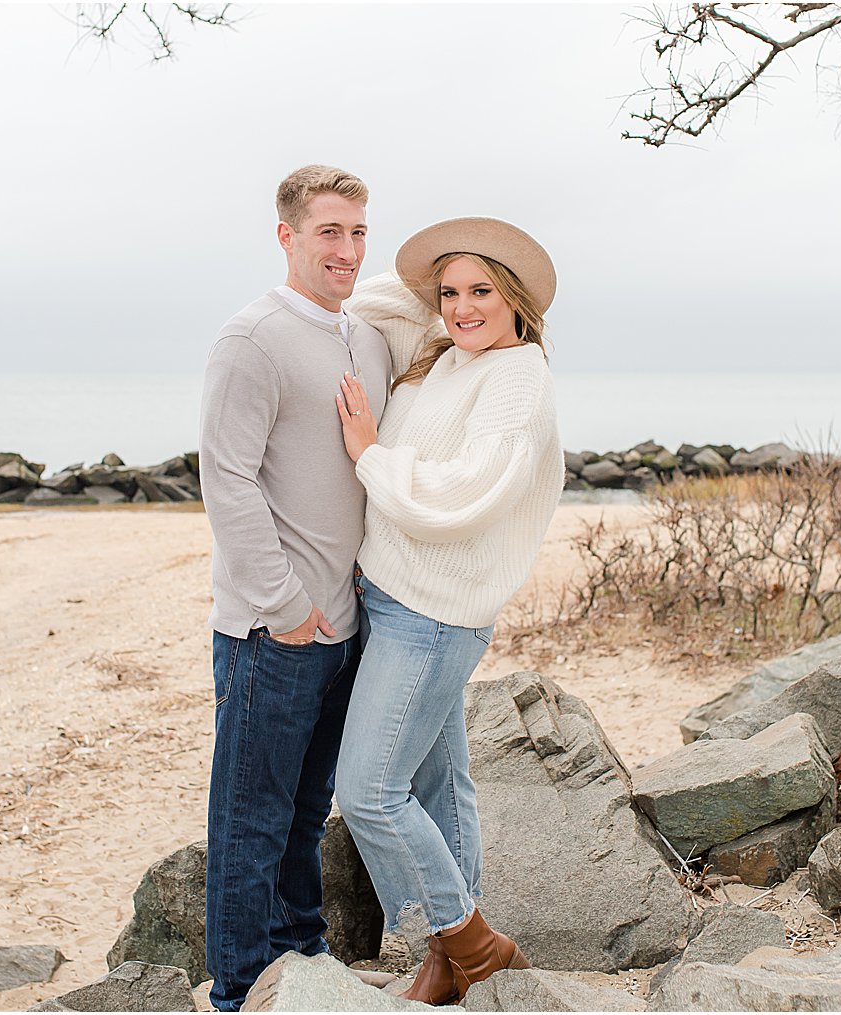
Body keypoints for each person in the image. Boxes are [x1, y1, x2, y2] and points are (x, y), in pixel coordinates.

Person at [334, 218, 564, 1005]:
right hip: (390, 594)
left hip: (432, 614)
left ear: (518, 300)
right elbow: (372, 304)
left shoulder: (517, 373)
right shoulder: (449, 353)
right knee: (440, 786)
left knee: (367, 790)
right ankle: (451, 960)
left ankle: (475, 941)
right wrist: (434, 276)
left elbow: (467, 492)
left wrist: (368, 451)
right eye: (451, 291)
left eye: (482, 292)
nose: (462, 308)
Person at [197, 165, 393, 1011]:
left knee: (308, 813)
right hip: (271, 631)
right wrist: (283, 608)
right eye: (328, 231)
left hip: (344, 624)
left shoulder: (364, 336)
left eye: (356, 231)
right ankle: (241, 990)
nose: (346, 249)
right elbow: (227, 479)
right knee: (251, 822)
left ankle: (304, 962)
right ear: (287, 236)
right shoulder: (253, 339)